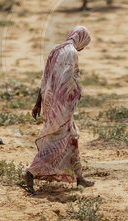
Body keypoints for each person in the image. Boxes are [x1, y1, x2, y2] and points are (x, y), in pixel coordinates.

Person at [22, 26, 94, 195]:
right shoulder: (71, 53)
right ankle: (31, 172)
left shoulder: (55, 49)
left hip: (49, 100)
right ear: (81, 40)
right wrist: (75, 94)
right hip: (61, 104)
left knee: (72, 136)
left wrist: (38, 103)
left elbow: (44, 79)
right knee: (59, 140)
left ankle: (79, 177)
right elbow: (67, 81)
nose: (83, 48)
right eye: (84, 44)